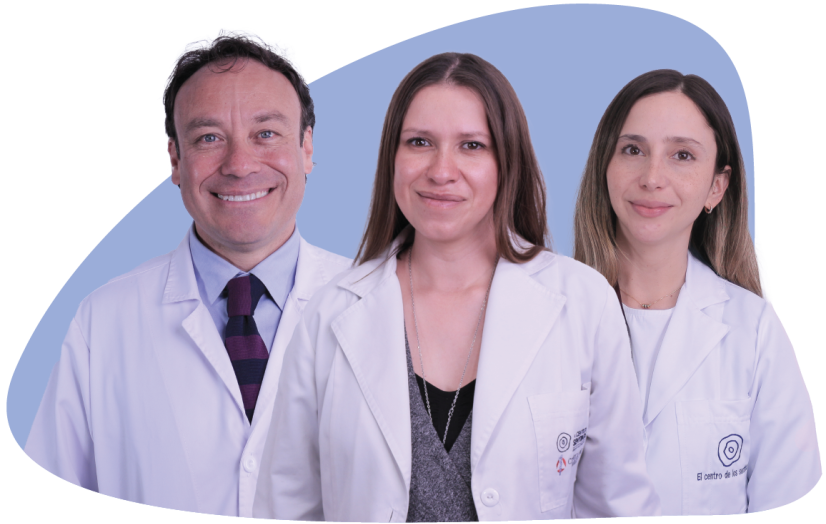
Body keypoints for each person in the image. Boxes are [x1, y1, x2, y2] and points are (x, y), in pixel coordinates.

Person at [253, 52, 661, 521]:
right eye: (419, 142)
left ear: (507, 161)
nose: (441, 170)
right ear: (392, 158)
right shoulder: (329, 317)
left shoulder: (584, 303)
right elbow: (284, 508)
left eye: (471, 145)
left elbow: (619, 506)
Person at [24, 28, 351, 517]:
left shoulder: (382, 307)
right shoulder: (103, 324)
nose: (240, 165)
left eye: (266, 133)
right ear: (175, 160)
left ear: (306, 148)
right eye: (209, 138)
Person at [573, 69, 820, 515]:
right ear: (604, 168)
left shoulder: (754, 333)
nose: (652, 177)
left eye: (682, 155)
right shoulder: (550, 321)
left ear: (716, 187)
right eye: (633, 150)